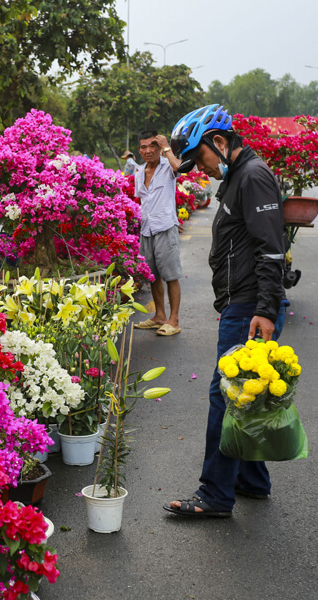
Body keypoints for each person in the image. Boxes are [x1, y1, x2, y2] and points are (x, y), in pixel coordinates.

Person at [164, 104, 288, 518]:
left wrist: (267, 310)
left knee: (226, 395)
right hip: (243, 303)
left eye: (199, 157)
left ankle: (215, 496)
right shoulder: (238, 176)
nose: (199, 168)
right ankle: (252, 481)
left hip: (251, 305)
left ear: (219, 142)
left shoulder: (252, 177)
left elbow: (272, 250)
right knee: (243, 395)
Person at [133, 130, 183, 336]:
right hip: (147, 229)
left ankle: (174, 320)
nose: (147, 151)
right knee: (152, 275)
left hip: (165, 227)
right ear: (139, 150)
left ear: (158, 147)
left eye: (151, 146)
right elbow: (142, 202)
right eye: (143, 147)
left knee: (171, 275)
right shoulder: (139, 173)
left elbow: (181, 167)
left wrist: (167, 147)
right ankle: (159, 316)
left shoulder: (168, 167)